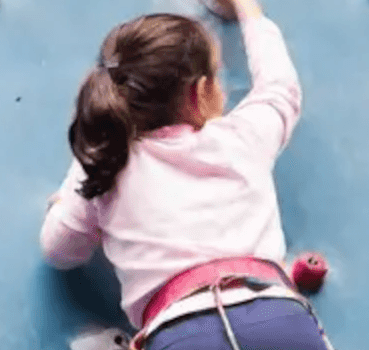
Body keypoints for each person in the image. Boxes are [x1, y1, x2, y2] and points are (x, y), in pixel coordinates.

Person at [39, 1, 331, 349]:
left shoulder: (105, 162)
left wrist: (63, 207)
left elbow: (59, 250)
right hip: (277, 318)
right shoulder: (241, 137)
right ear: (201, 93)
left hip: (183, 333)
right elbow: (280, 90)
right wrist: (248, 10)